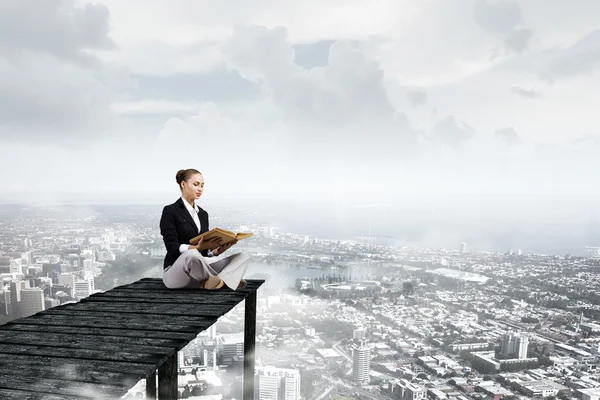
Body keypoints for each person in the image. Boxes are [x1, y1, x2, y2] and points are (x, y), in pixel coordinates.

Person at [160, 168, 250, 290]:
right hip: (176, 274)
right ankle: (227, 279)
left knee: (243, 257)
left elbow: (203, 252)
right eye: (196, 184)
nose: (200, 189)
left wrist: (216, 251)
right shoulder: (170, 211)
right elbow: (171, 246)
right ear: (183, 184)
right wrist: (195, 248)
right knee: (191, 254)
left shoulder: (203, 214)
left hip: (199, 275)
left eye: (202, 185)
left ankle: (217, 282)